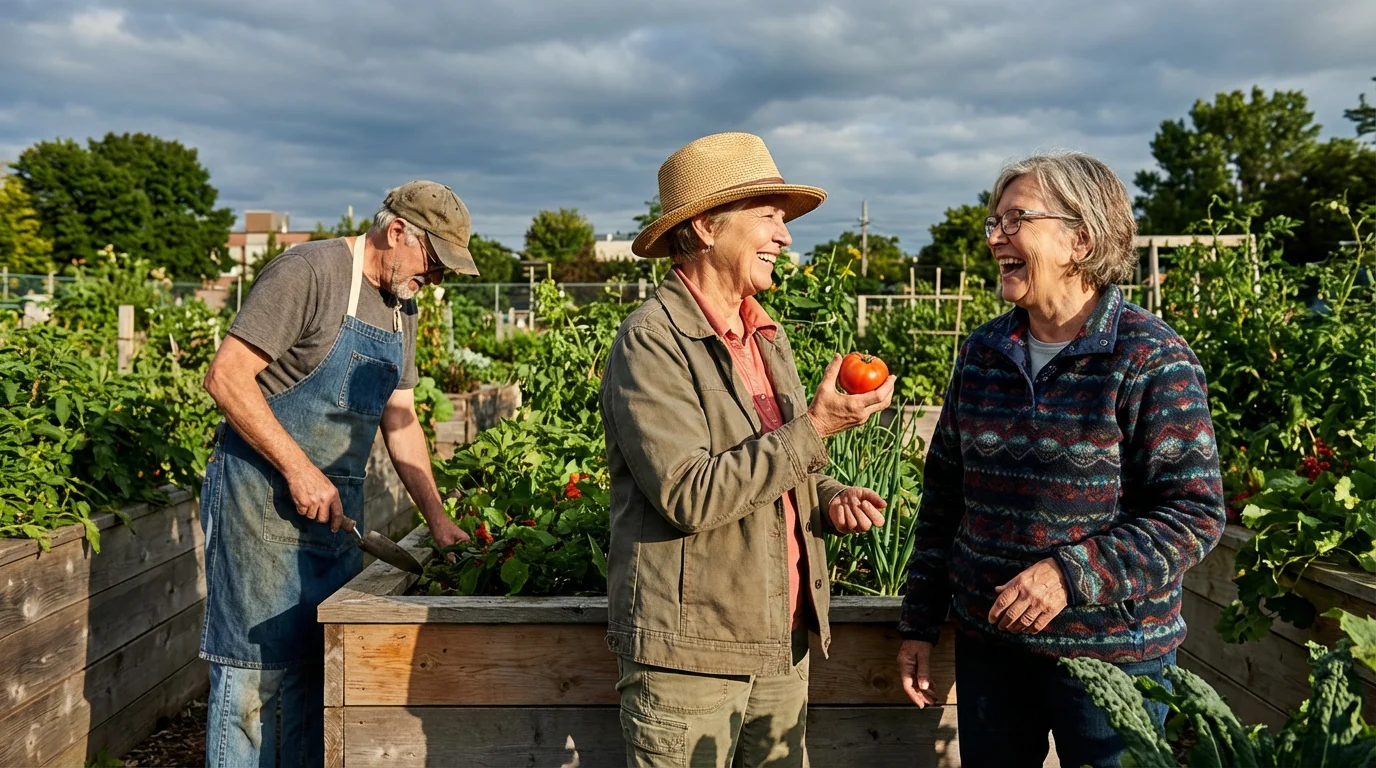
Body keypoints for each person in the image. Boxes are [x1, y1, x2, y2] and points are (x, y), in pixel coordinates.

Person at [894, 151, 1226, 767]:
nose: (996, 238)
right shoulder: (984, 351)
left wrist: (1068, 575)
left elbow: (1194, 514)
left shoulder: (1150, 357)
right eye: (994, 222)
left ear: (1081, 237)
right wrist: (918, 623)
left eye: (1015, 219)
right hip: (992, 649)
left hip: (1113, 659)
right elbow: (943, 498)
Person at [600, 132, 897, 768]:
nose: (785, 237)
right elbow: (687, 492)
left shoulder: (765, 335)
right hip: (691, 656)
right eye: (768, 218)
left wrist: (830, 496)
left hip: (779, 641)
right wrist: (816, 426)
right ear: (707, 226)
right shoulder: (653, 342)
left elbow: (779, 465)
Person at [198, 181, 478, 766]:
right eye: (435, 262)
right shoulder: (310, 272)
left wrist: (437, 518)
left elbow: (400, 420)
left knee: (316, 669)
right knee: (256, 680)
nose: (438, 279)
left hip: (333, 517)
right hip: (259, 503)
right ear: (396, 230)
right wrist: (300, 469)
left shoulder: (403, 310)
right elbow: (226, 377)